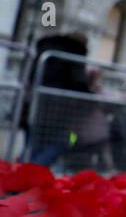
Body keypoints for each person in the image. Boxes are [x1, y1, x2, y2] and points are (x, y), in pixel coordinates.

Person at [24, 31, 91, 167]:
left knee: (33, 145)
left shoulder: (44, 48)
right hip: (58, 108)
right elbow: (78, 82)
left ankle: (21, 175)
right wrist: (90, 94)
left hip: (31, 102)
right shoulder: (75, 51)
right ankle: (28, 174)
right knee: (64, 141)